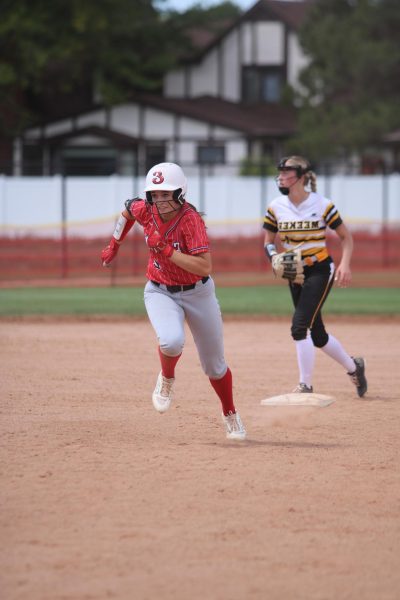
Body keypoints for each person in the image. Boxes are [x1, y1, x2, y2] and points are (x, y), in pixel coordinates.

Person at [101, 162, 246, 440]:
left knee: (214, 365)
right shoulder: (147, 210)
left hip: (198, 292)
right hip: (160, 290)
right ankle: (167, 378)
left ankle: (230, 413)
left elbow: (204, 267)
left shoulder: (191, 220)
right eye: (155, 195)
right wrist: (114, 245)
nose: (160, 201)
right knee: (170, 341)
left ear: (181, 193)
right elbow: (127, 212)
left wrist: (165, 249)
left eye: (166, 194)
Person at [263, 155, 368, 397]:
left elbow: (346, 237)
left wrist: (345, 264)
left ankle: (305, 386)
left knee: (299, 327)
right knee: (317, 335)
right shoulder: (276, 206)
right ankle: (355, 367)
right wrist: (273, 257)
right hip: (294, 272)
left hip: (320, 269)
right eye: (279, 172)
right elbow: (268, 241)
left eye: (286, 172)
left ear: (300, 176)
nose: (281, 176)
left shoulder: (322, 204)